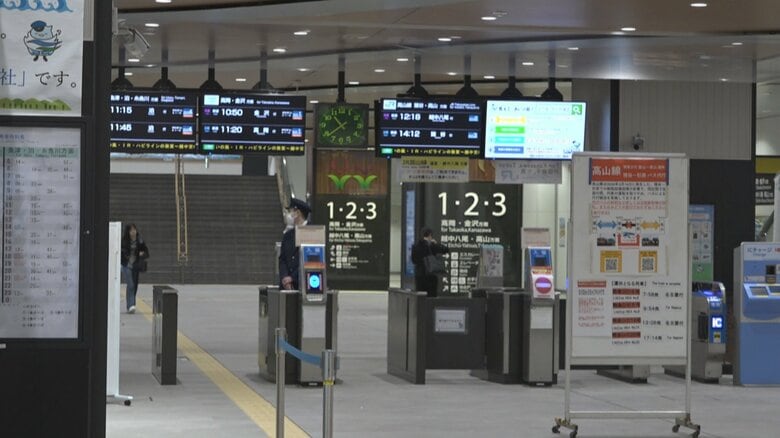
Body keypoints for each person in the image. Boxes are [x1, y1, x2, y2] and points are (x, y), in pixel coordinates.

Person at [279, 198, 311, 290]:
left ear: (298, 213)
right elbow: (282, 259)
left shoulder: (313, 232)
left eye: (290, 211)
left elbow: (311, 260)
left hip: (305, 285)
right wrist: (284, 277)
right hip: (286, 287)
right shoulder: (288, 235)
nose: (288, 214)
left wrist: (293, 278)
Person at [411, 227, 449, 297]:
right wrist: (437, 243)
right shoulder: (433, 246)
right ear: (430, 235)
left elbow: (414, 260)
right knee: (431, 297)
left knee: (421, 297)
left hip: (420, 275)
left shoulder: (415, 246)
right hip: (431, 276)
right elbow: (446, 250)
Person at [121, 223, 149, 314]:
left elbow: (146, 252)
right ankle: (131, 305)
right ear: (128, 232)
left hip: (135, 266)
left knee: (134, 285)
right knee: (131, 284)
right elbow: (122, 252)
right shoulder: (124, 241)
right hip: (126, 265)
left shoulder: (140, 241)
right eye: (131, 230)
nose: (133, 232)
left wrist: (142, 254)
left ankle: (130, 305)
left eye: (134, 230)